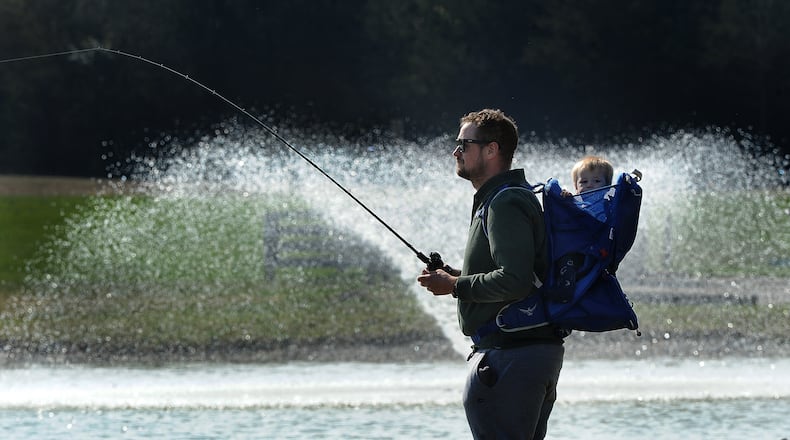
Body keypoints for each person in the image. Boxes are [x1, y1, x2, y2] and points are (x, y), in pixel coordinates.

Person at [417, 109, 565, 439]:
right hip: (521, 355)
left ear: (491, 150)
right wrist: (453, 275)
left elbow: (515, 280)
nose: (456, 151)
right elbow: (514, 275)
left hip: (513, 357)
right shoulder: (501, 198)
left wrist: (454, 285)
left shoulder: (505, 202)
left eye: (464, 144)